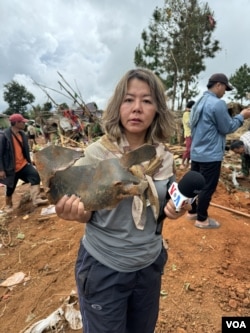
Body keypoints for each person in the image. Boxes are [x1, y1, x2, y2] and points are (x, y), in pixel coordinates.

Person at [55, 68, 191, 333]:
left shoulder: (163, 156)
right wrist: (75, 212)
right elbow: (86, 210)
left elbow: (166, 196)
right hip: (105, 268)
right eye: (129, 100)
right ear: (118, 106)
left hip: (149, 266)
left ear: (157, 110)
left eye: (147, 100)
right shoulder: (96, 156)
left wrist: (177, 207)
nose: (137, 108)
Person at [187, 73, 250, 229]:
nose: (225, 93)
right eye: (225, 89)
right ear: (219, 85)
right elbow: (227, 127)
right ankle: (202, 220)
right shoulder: (217, 104)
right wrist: (241, 116)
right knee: (207, 187)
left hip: (197, 153)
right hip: (210, 155)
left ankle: (192, 211)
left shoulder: (198, 103)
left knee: (195, 185)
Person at [0, 113, 48, 213]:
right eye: (22, 122)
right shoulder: (4, 136)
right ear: (16, 123)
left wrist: (30, 161)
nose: (24, 124)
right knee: (10, 187)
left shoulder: (22, 134)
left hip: (23, 164)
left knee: (35, 176)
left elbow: (25, 150)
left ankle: (36, 199)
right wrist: (1, 170)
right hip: (10, 167)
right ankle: (8, 205)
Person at [180, 100, 195, 169]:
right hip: (188, 134)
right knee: (188, 149)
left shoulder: (191, 113)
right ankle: (182, 163)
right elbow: (189, 124)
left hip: (192, 134)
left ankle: (187, 163)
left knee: (191, 150)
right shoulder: (186, 114)